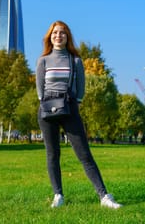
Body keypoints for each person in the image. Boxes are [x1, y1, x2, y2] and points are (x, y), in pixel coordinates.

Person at [36, 20, 122, 209]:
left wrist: (73, 105)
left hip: (69, 108)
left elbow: (80, 90)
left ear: (68, 37)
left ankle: (104, 196)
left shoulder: (75, 61)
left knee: (84, 154)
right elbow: (40, 90)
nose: (58, 36)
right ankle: (58, 195)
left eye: (62, 33)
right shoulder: (43, 60)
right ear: (50, 37)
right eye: (55, 33)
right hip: (47, 110)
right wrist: (48, 104)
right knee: (52, 155)